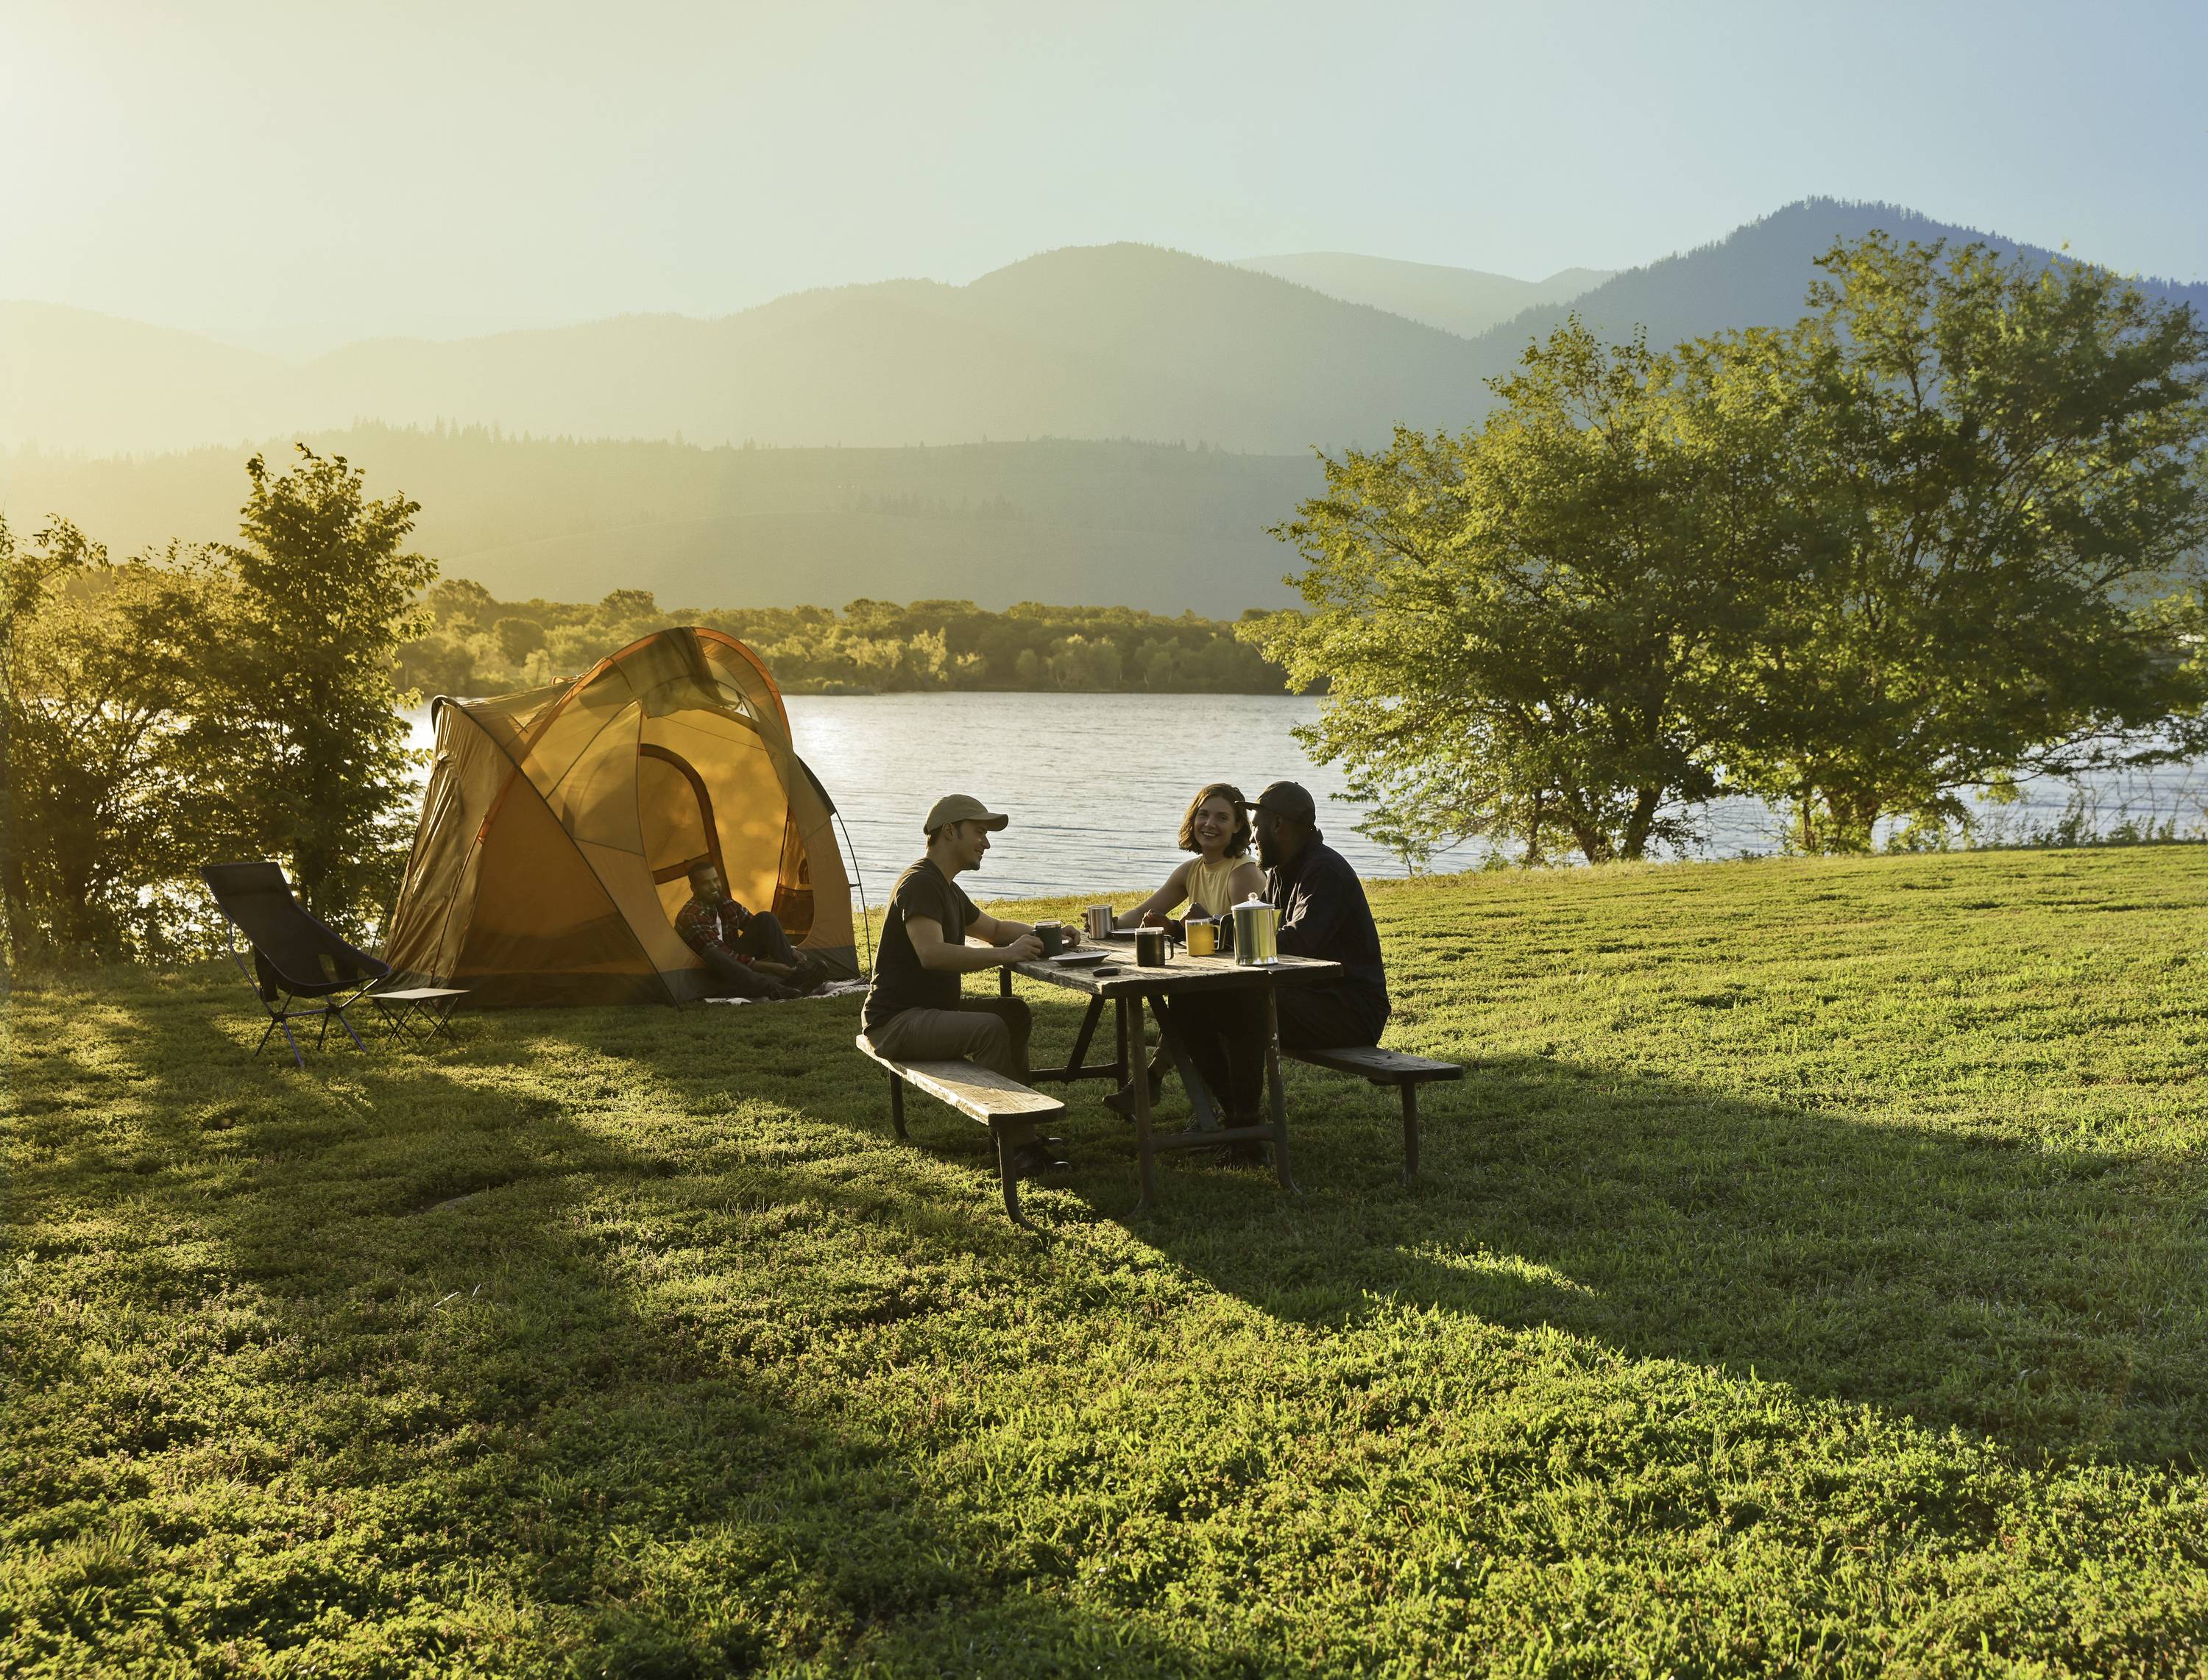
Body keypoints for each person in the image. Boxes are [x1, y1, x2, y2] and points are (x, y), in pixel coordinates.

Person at [1170, 779, 1391, 1129]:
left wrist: (1220, 927)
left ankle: (1244, 1126)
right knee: (1187, 1001)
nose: (1253, 837)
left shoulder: (1324, 871)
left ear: (1279, 825)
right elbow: (1265, 935)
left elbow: (1295, 942)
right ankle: (1238, 1116)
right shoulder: (1279, 872)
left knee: (1245, 1001)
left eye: (1256, 827)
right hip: (1307, 997)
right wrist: (1190, 929)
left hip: (1349, 1010)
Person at [862, 793, 1079, 1105]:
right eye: (979, 833)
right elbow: (932, 954)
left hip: (931, 1011)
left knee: (1013, 1013)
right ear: (950, 831)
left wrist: (1050, 934)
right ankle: (1017, 1139)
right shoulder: (920, 884)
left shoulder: (945, 886)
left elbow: (994, 930)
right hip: (895, 1023)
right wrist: (1006, 954)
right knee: (990, 1028)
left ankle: (1024, 1109)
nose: (986, 844)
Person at [1103, 783, 1267, 1117]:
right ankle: (1153, 1083)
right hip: (1202, 981)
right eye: (1203, 815)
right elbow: (1141, 914)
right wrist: (1099, 928)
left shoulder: (1242, 872)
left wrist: (1192, 926)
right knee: (1181, 1004)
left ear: (1238, 826)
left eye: (1222, 817)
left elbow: (1245, 936)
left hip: (1237, 989)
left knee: (1183, 1007)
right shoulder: (1191, 871)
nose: (1210, 824)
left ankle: (1153, 1083)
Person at [675, 862, 819, 1000]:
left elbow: (759, 927)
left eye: (715, 880)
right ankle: (773, 989)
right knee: (714, 953)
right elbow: (720, 953)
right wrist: (764, 966)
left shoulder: (726, 904)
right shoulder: (691, 915)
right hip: (710, 971)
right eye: (706, 883)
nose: (714, 886)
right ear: (694, 888)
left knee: (766, 918)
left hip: (735, 963)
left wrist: (790, 950)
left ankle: (795, 975)